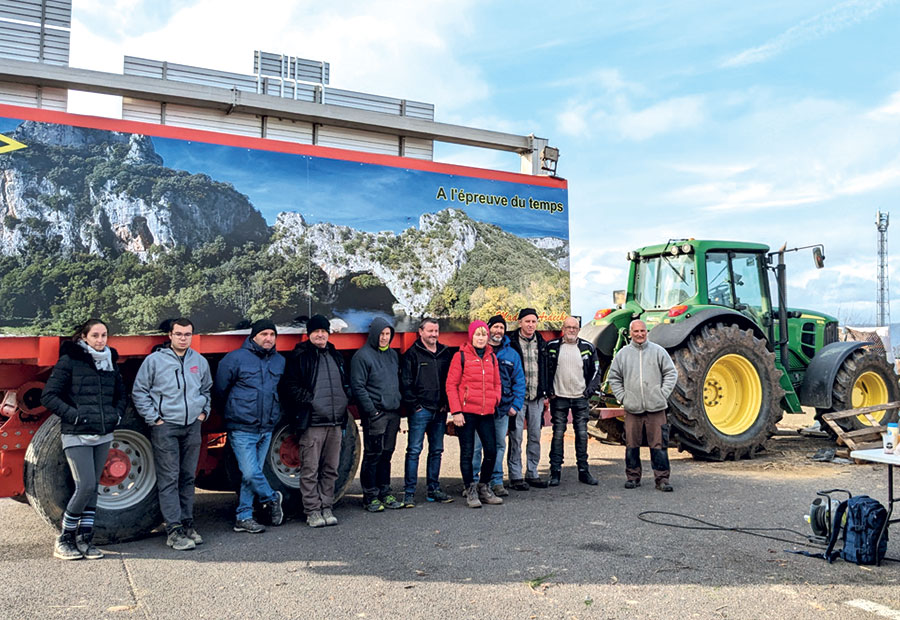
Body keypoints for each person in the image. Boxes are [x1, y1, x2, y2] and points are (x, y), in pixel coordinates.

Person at [41, 318, 127, 560]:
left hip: (103, 434)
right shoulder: (70, 360)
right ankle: (64, 538)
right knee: (86, 485)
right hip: (76, 434)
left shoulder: (110, 361)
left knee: (94, 489)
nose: (100, 340)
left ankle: (85, 539)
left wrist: (116, 416)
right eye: (95, 336)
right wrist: (75, 416)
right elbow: (49, 396)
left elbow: (121, 395)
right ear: (84, 338)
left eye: (104, 335)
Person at [132, 317, 212, 550]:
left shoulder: (199, 361)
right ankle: (174, 530)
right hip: (166, 427)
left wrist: (203, 413)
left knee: (188, 477)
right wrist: (154, 419)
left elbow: (206, 389)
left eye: (187, 334)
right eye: (178, 334)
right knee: (169, 478)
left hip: (192, 426)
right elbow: (140, 391)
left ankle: (187, 524)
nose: (183, 338)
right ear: (170, 335)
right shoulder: (154, 361)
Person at [214, 319, 286, 533]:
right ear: (253, 336)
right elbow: (220, 391)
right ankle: (272, 497)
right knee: (250, 472)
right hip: (242, 428)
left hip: (266, 428)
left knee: (250, 474)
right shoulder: (234, 359)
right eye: (264, 334)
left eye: (272, 335)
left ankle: (244, 517)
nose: (268, 338)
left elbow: (278, 391)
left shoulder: (279, 361)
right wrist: (234, 413)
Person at [280, 314, 350, 528]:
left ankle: (327, 507)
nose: (320, 335)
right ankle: (312, 511)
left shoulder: (335, 355)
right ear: (308, 334)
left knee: (331, 468)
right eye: (316, 332)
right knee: (309, 470)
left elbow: (343, 383)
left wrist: (345, 400)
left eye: (323, 331)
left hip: (336, 422)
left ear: (328, 333)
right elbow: (289, 386)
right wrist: (311, 401)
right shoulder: (300, 356)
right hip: (313, 422)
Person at [607, 319, 678, 492]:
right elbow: (614, 377)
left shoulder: (658, 351)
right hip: (633, 409)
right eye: (636, 331)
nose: (639, 334)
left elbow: (671, 373)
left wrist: (662, 394)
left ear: (647, 332)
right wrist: (623, 397)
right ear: (630, 333)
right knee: (632, 444)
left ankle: (662, 479)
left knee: (659, 444)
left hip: (656, 408)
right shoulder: (623, 354)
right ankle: (633, 477)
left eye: (642, 331)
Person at [446, 320, 503, 508]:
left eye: (484, 334)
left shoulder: (491, 358)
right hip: (466, 413)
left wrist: (495, 400)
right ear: (471, 336)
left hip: (486, 412)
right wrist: (456, 411)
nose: (481, 338)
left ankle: (484, 487)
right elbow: (451, 386)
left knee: (491, 451)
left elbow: (497, 383)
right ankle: (470, 489)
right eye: (477, 334)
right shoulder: (460, 357)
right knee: (468, 453)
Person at [400, 317, 455, 506]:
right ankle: (409, 493)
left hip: (439, 411)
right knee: (414, 451)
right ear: (420, 332)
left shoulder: (444, 353)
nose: (433, 334)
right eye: (430, 331)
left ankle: (434, 489)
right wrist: (415, 406)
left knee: (437, 451)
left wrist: (446, 404)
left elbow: (450, 381)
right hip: (420, 410)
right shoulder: (412, 355)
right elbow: (405, 384)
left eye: (436, 331)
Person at [351, 317, 404, 512]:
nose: (384, 338)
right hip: (375, 414)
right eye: (381, 334)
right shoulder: (362, 356)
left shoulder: (392, 355)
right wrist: (371, 411)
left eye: (387, 334)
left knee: (387, 455)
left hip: (392, 413)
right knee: (373, 455)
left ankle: (385, 492)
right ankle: (370, 495)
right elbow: (358, 386)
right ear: (374, 334)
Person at [472, 314, 525, 497]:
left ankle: (496, 481)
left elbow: (519, 381)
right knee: (477, 446)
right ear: (488, 330)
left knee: (499, 445)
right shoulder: (480, 351)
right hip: (481, 409)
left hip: (502, 408)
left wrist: (515, 405)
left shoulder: (511, 354)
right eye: (495, 327)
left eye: (501, 328)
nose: (498, 331)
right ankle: (473, 482)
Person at [546, 316, 602, 486]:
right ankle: (555, 473)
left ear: (578, 330)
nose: (571, 330)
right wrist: (549, 390)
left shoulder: (588, 347)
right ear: (563, 328)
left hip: (580, 398)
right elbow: (545, 369)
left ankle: (584, 472)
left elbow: (596, 372)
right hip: (559, 397)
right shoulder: (552, 347)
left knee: (582, 435)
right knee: (557, 435)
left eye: (574, 328)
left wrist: (588, 392)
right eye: (568, 327)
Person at [506, 308, 550, 489]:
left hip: (536, 397)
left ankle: (532, 472)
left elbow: (547, 369)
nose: (531, 325)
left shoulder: (542, 343)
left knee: (535, 436)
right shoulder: (511, 342)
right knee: (515, 437)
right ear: (520, 323)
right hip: (518, 398)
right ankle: (515, 476)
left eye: (534, 321)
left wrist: (546, 392)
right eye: (527, 321)